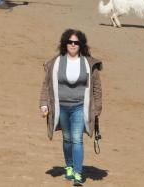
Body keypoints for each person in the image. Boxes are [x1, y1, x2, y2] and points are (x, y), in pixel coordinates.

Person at [38, 28, 103, 187]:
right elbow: (46, 85)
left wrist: (97, 108)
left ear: (81, 45)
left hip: (80, 107)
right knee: (67, 139)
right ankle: (69, 166)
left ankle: (78, 173)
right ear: (65, 44)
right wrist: (44, 104)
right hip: (61, 107)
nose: (73, 45)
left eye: (76, 42)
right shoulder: (55, 62)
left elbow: (97, 88)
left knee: (76, 139)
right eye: (70, 42)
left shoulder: (89, 63)